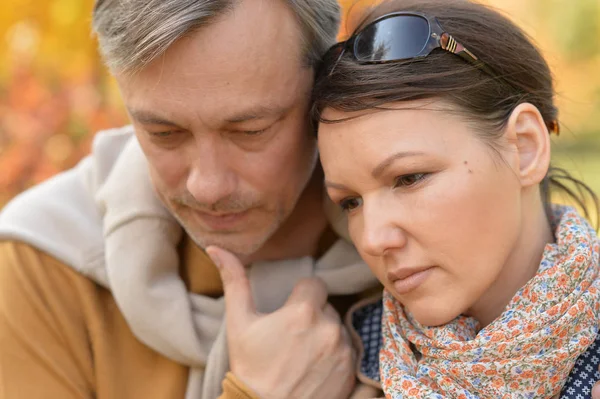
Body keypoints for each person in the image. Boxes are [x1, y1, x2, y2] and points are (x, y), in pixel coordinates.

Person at [0, 0, 383, 398]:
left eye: (250, 131)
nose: (207, 186)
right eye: (163, 133)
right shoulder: (44, 264)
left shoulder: (425, 244)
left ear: (323, 83)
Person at [310, 0, 600, 398]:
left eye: (408, 178)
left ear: (525, 147)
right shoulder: (328, 363)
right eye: (351, 202)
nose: (374, 239)